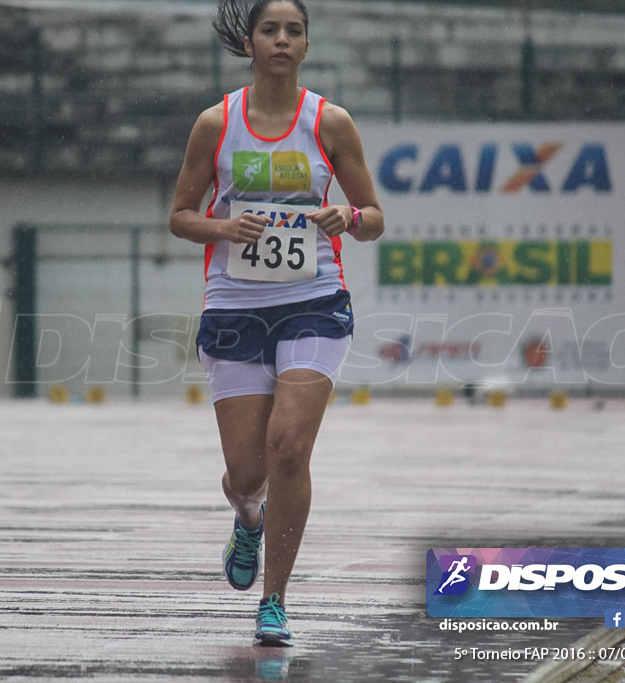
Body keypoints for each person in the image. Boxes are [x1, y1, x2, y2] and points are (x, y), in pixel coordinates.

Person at [168, 0, 383, 647]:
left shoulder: (330, 123)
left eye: (294, 30)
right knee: (247, 469)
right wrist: (223, 226)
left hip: (315, 299)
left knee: (289, 445)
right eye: (270, 30)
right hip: (235, 304)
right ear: (249, 42)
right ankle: (249, 515)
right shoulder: (217, 123)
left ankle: (275, 600)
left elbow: (374, 214)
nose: (282, 40)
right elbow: (179, 214)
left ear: (307, 44)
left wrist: (350, 217)